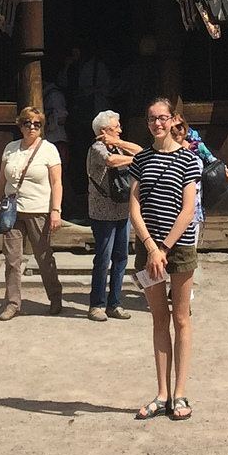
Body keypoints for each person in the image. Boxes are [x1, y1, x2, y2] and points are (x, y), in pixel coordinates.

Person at [129, 97, 201, 421]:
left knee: (181, 318)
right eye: (152, 119)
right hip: (148, 249)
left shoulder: (188, 160)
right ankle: (162, 393)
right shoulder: (141, 160)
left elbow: (188, 210)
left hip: (178, 247)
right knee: (159, 319)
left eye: (162, 117)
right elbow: (134, 208)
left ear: (173, 120)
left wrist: (165, 249)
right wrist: (151, 247)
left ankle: (180, 393)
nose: (157, 123)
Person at [0, 108, 64, 321]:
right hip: (12, 210)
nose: (32, 127)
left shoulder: (49, 150)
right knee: (12, 259)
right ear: (20, 125)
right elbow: (1, 179)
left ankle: (55, 297)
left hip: (39, 210)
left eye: (37, 124)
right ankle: (12, 303)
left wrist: (56, 210)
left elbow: (57, 182)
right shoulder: (10, 148)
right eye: (27, 123)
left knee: (44, 257)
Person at [85, 111, 139, 322]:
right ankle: (96, 305)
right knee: (103, 258)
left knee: (121, 258)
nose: (120, 130)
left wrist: (120, 143)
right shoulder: (97, 148)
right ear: (104, 130)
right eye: (116, 127)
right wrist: (136, 159)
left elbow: (141, 151)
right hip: (103, 213)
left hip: (122, 210)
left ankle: (114, 303)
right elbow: (112, 161)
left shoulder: (119, 146)